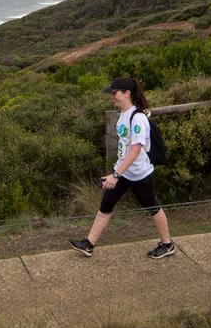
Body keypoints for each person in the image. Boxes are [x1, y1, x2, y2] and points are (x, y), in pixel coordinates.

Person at [69, 78, 176, 259]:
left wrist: (116, 174)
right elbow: (124, 147)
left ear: (127, 93)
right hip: (124, 171)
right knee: (106, 204)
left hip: (140, 174)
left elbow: (135, 149)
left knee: (152, 206)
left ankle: (167, 244)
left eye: (115, 93)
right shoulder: (123, 114)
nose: (112, 97)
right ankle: (89, 243)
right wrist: (114, 173)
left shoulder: (138, 118)